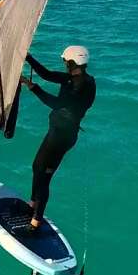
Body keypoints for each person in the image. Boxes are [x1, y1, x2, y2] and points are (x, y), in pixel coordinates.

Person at [18, 45, 96, 233]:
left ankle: (35, 223)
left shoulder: (74, 85)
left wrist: (32, 85)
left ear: (71, 62)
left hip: (60, 137)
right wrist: (27, 60)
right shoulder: (86, 81)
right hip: (64, 134)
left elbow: (54, 100)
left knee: (44, 176)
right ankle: (32, 204)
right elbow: (47, 75)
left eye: (64, 61)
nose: (63, 64)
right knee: (37, 166)